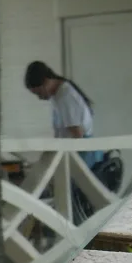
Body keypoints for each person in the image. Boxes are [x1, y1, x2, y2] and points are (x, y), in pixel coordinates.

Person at [24, 60, 110, 223]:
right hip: (75, 151)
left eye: (38, 93)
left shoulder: (66, 96)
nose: (40, 98)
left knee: (76, 201)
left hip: (82, 154)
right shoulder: (59, 96)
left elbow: (76, 136)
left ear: (45, 82)